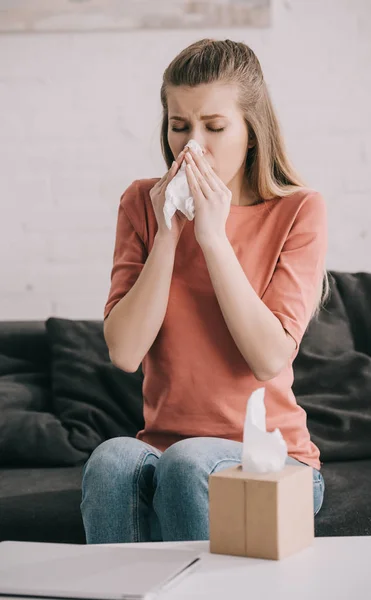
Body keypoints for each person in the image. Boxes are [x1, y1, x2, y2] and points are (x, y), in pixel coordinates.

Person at [80, 38, 329, 544]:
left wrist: (213, 237)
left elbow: (266, 357)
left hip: (272, 459)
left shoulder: (298, 211)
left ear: (252, 132)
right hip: (165, 447)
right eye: (179, 126)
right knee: (112, 459)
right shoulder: (140, 204)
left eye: (214, 128)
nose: (193, 145)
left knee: (190, 460)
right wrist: (169, 235)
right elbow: (125, 353)